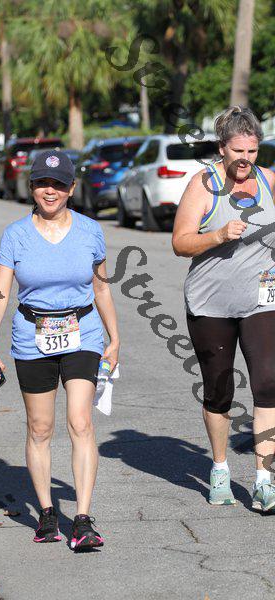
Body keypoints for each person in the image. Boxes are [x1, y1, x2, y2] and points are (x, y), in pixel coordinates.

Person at [0, 149, 119, 548]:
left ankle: (83, 519)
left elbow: (101, 287)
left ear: (72, 188)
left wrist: (115, 338)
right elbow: (0, 293)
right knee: (40, 428)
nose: (50, 191)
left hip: (82, 332)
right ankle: (47, 513)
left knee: (81, 421)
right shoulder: (16, 235)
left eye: (58, 184)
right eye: (42, 183)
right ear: (32, 187)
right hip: (32, 335)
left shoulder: (90, 231)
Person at [172, 106, 275, 512]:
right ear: (222, 149)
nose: (245, 159)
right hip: (210, 302)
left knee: (268, 384)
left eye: (252, 151)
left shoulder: (269, 181)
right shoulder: (203, 185)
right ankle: (219, 468)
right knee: (219, 391)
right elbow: (180, 243)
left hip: (261, 301)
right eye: (238, 151)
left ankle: (265, 479)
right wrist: (216, 235)